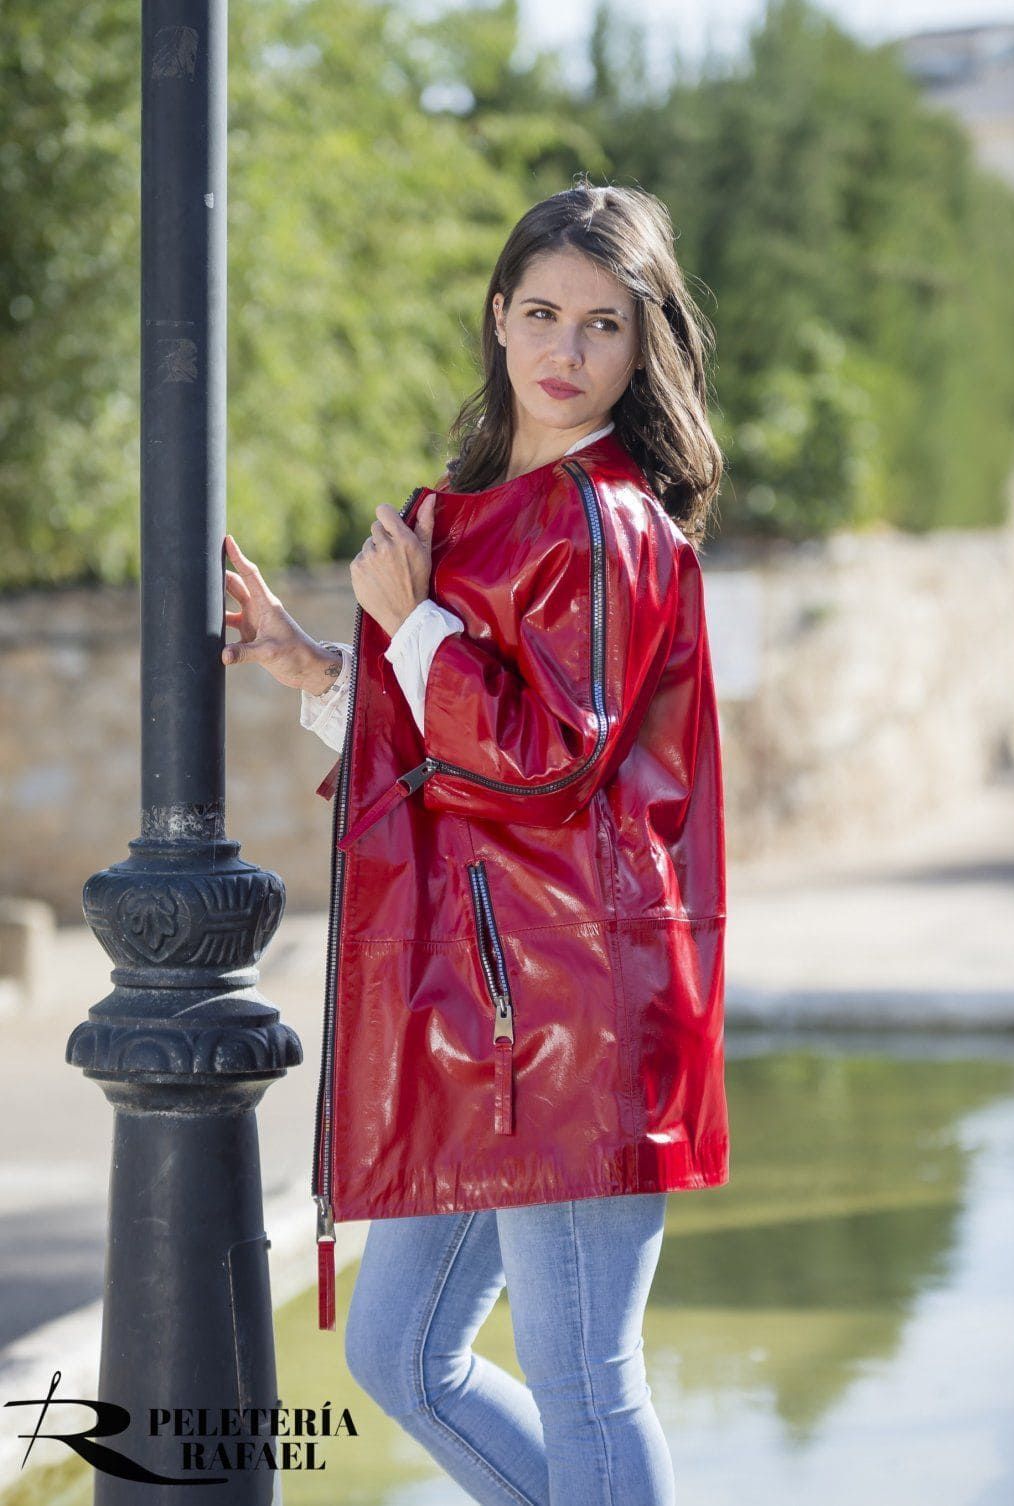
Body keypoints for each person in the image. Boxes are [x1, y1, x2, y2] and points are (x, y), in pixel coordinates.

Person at [221, 177, 728, 1506]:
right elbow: (441, 747)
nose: (567, 352)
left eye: (604, 325)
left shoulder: (610, 520)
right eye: (545, 313)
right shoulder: (479, 509)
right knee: (400, 1351)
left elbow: (552, 755)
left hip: (575, 1006)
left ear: (642, 343)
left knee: (585, 1375)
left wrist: (415, 627)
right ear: (499, 317)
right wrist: (308, 658)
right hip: (478, 1012)